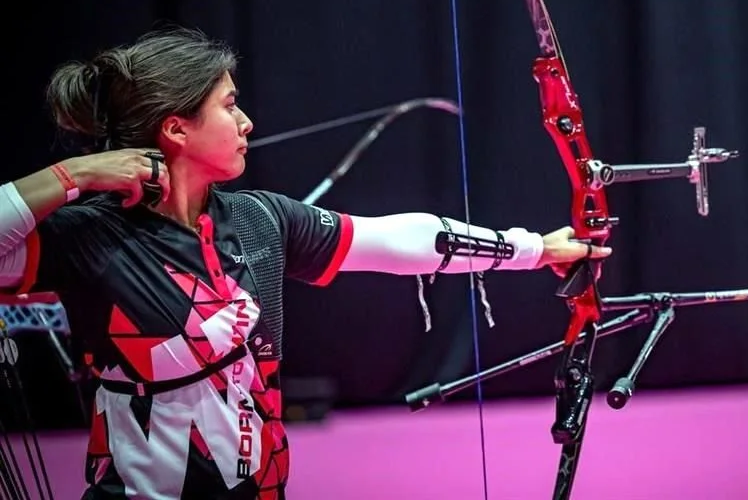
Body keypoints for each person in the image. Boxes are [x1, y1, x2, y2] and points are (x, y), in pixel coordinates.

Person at [0, 26, 612, 499]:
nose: (247, 122)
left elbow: (403, 241)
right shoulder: (89, 237)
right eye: (229, 106)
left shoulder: (260, 218)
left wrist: (533, 248)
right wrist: (73, 175)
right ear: (176, 129)